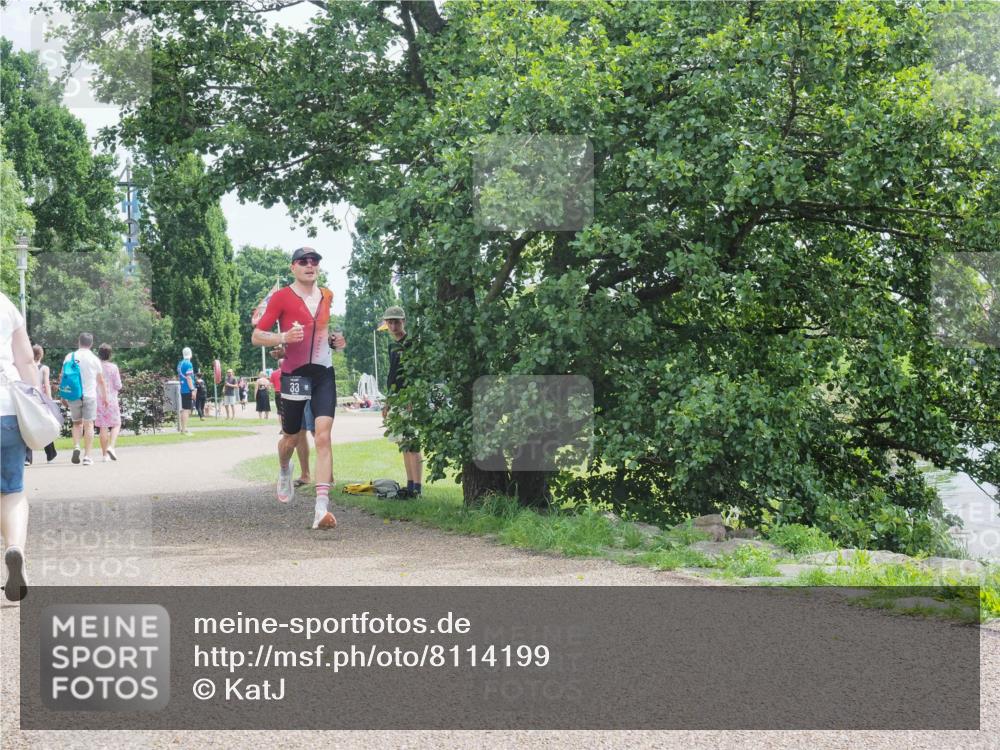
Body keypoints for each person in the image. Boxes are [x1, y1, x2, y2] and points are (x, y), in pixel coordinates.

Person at [251, 246, 344, 529]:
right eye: (303, 261)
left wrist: (336, 342)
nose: (310, 265)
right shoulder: (281, 297)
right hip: (294, 375)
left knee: (324, 437)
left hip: (323, 374)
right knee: (291, 438)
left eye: (314, 261)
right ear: (293, 267)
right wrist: (283, 336)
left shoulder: (327, 295)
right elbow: (257, 336)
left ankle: (321, 509)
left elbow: (324, 333)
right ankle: (284, 470)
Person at [1, 291, 40, 601]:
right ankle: (14, 548)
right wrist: (39, 401)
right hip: (7, 410)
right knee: (12, 489)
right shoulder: (5, 304)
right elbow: (26, 360)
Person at [382, 306, 423, 498]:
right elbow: (392, 375)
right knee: (403, 444)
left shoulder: (412, 344)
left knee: (413, 444)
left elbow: (415, 373)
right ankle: (409, 484)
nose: (393, 325)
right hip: (396, 399)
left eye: (396, 321)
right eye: (389, 322)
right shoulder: (392, 346)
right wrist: (388, 402)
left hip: (410, 400)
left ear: (403, 321)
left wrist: (413, 398)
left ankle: (418, 487)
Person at [61, 332, 108, 466]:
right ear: (91, 343)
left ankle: (76, 446)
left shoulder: (70, 356)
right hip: (89, 395)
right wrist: (105, 397)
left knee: (76, 423)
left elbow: (63, 376)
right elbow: (100, 380)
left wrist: (63, 395)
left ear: (79, 342)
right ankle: (87, 456)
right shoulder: (94, 359)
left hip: (74, 394)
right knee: (89, 425)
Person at [25, 345, 57, 464]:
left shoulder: (26, 367)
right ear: (41, 354)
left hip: (28, 399)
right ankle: (50, 455)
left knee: (28, 427)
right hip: (40, 399)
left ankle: (27, 458)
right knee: (45, 426)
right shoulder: (44, 368)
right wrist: (49, 401)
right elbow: (47, 385)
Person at [95, 343, 123, 462]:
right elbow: (118, 385)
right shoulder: (113, 367)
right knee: (116, 424)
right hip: (111, 399)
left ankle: (104, 455)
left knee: (103, 427)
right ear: (110, 354)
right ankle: (111, 446)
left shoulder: (96, 367)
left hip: (99, 400)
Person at [176, 347, 197, 435]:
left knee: (184, 409)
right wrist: (192, 389)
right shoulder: (189, 364)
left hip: (182, 388)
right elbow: (189, 378)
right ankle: (184, 430)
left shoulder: (180, 363)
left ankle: (183, 428)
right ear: (190, 354)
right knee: (186, 410)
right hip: (187, 389)